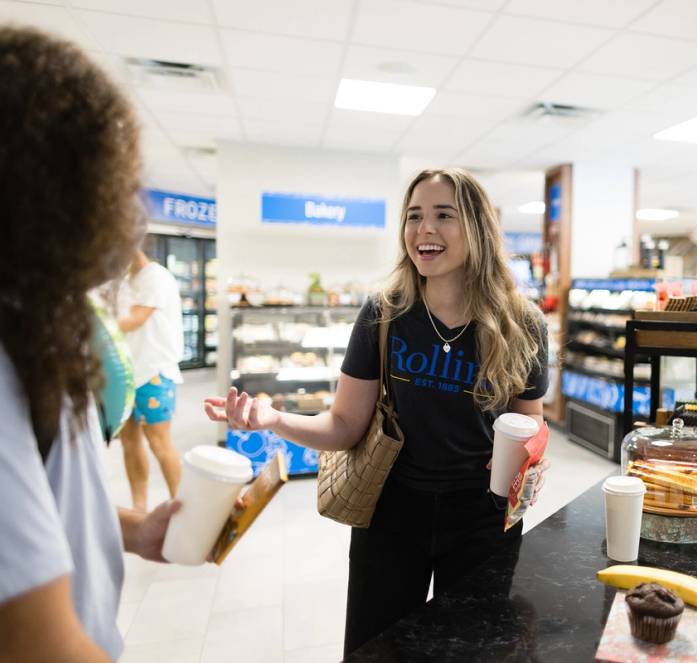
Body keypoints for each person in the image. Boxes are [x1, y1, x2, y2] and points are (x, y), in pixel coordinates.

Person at [205, 168, 550, 654]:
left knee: (472, 650)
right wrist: (274, 419)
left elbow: (529, 420)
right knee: (377, 650)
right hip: (391, 513)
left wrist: (530, 450)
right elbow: (345, 425)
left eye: (443, 215)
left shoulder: (523, 324)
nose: (423, 229)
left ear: (476, 228)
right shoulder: (385, 313)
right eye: (413, 216)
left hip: (483, 520)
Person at [0, 26, 181, 662]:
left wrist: (131, 528)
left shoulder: (39, 320)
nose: (133, 208)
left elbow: (43, 506)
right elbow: (37, 646)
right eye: (116, 178)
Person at [116, 247, 184, 512]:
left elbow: (134, 320)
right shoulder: (125, 282)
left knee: (160, 443)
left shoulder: (156, 277)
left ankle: (182, 510)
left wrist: (90, 320)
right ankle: (139, 509)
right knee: (129, 442)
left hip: (153, 372)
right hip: (125, 373)